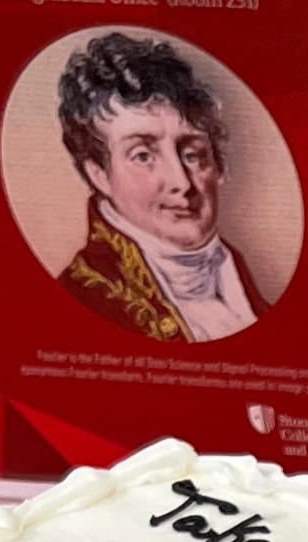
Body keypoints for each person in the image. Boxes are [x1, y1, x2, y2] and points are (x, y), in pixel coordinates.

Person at [53, 32, 266, 343]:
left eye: (192, 154)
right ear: (99, 174)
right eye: (143, 155)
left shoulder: (247, 295)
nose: (181, 182)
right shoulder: (78, 308)